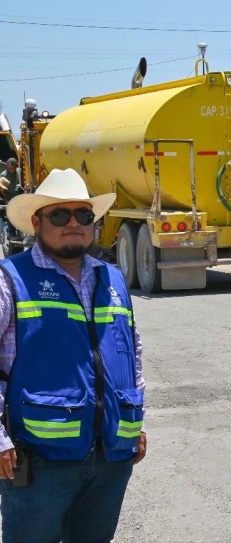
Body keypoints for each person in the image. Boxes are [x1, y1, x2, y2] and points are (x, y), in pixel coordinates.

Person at [0, 168, 145, 542]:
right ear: (36, 222)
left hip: (111, 457)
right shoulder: (10, 279)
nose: (73, 224)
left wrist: (135, 421)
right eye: (60, 215)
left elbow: (131, 353)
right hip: (39, 457)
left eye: (83, 215)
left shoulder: (112, 279)